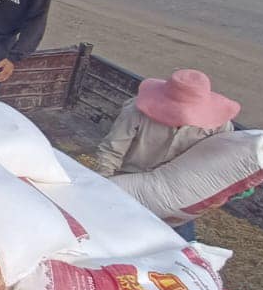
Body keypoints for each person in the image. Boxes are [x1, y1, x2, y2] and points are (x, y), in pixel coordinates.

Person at [95, 69, 240, 241]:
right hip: (131, 181)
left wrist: (226, 189)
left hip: (179, 191)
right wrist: (103, 183)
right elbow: (112, 149)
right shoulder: (136, 111)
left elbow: (221, 160)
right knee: (112, 235)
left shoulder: (218, 125)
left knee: (180, 245)